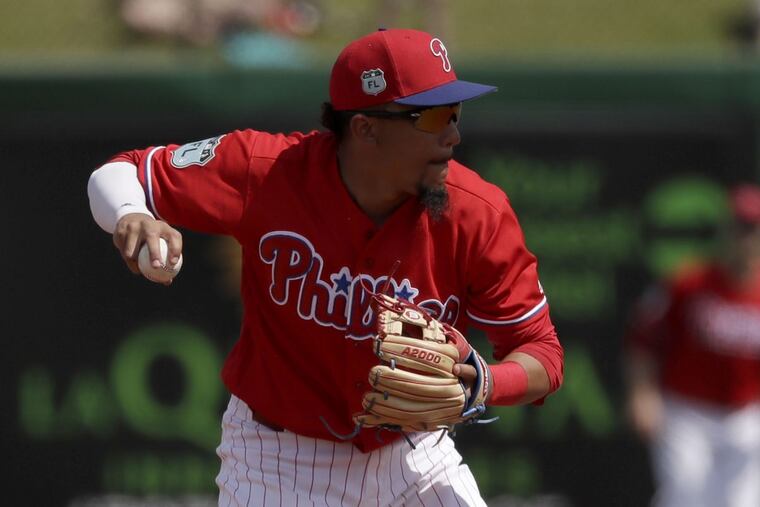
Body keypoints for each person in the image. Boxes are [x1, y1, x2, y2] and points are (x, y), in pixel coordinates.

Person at [88, 28, 564, 506]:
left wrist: (484, 383)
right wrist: (133, 215)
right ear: (366, 128)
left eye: (457, 112)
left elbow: (542, 353)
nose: (454, 133)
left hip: (415, 455)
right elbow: (119, 173)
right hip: (278, 459)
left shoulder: (477, 212)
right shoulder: (266, 170)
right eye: (434, 115)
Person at [624, 184, 760, 507]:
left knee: (740, 503)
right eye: (740, 228)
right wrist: (642, 392)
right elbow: (643, 339)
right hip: (687, 413)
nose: (746, 238)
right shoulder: (689, 283)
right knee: (685, 497)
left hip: (745, 414)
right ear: (727, 231)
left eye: (753, 230)